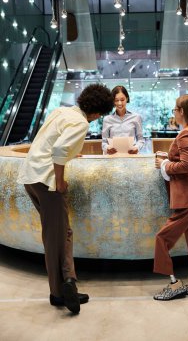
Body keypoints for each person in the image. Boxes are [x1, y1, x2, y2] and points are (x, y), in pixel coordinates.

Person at [17, 83, 114, 314]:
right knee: (56, 238)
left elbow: (49, 141)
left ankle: (68, 281)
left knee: (63, 233)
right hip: (46, 180)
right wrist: (60, 181)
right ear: (98, 112)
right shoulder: (80, 122)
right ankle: (58, 293)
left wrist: (71, 153)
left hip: (32, 176)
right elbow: (59, 150)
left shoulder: (62, 111)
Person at [153, 94, 188, 301]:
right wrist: (169, 158)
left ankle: (174, 284)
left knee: (162, 238)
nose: (173, 113)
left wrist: (165, 165)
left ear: (182, 111)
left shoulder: (185, 135)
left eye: (175, 109)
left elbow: (185, 166)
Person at [102, 85, 145, 154]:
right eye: (116, 100)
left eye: (122, 100)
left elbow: (140, 139)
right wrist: (107, 148)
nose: (120, 103)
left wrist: (136, 148)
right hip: (113, 158)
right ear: (113, 101)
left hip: (131, 157)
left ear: (127, 99)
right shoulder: (107, 119)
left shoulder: (136, 117)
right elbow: (104, 142)